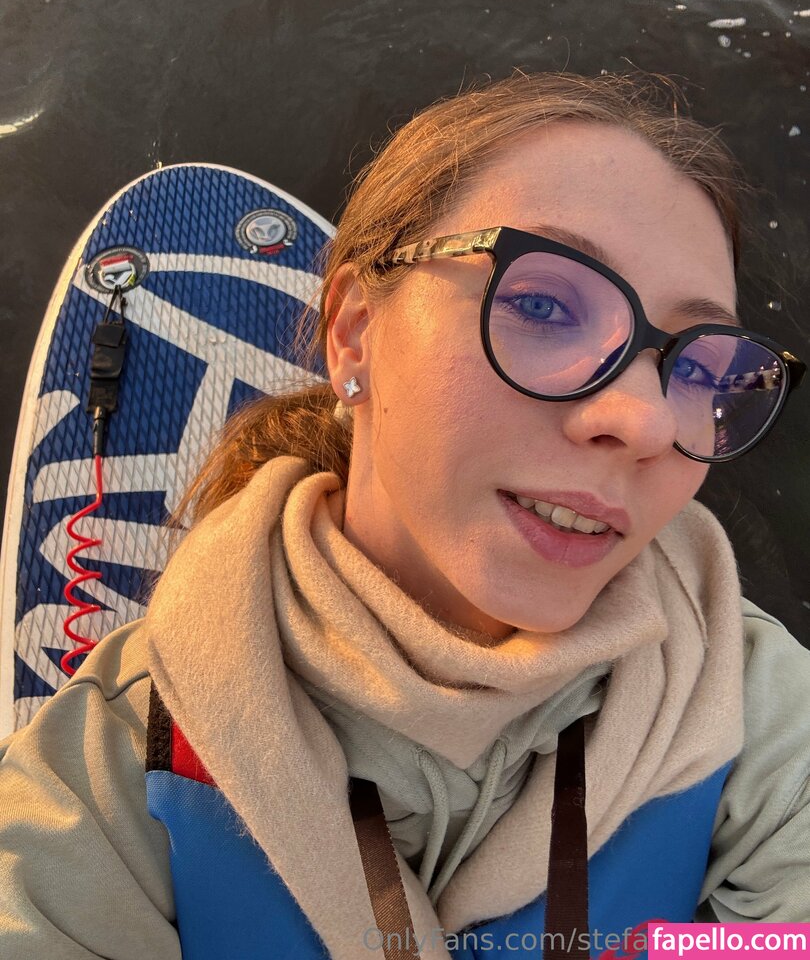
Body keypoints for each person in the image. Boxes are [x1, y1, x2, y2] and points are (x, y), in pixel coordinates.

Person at [1, 70, 809, 960]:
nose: (647, 420)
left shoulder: (758, 709)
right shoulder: (100, 790)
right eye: (542, 305)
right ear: (353, 333)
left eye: (698, 367)